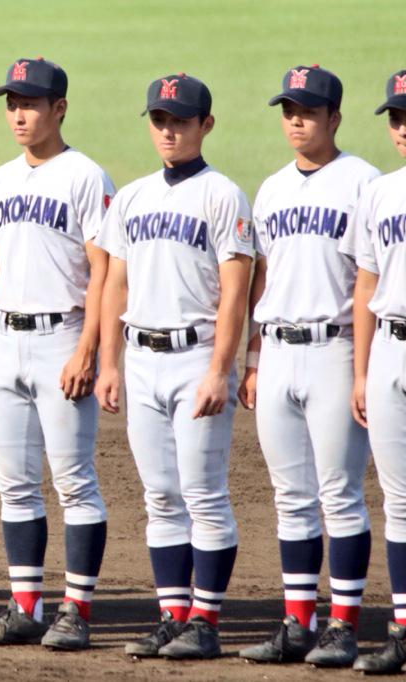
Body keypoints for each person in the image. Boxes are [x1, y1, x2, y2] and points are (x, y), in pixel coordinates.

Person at [93, 73, 254, 660]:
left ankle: (205, 622)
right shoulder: (134, 196)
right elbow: (116, 282)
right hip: (140, 359)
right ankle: (172, 615)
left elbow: (236, 292)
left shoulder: (222, 195)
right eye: (159, 119)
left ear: (205, 125)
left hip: (195, 359)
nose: (168, 130)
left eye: (180, 121)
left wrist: (220, 370)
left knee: (203, 494)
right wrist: (109, 362)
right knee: (160, 495)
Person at [0, 57, 112, 650]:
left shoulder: (85, 176)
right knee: (13, 482)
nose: (18, 113)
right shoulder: (0, 178)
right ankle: (25, 607)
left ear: (59, 109)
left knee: (74, 480)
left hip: (60, 340)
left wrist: (87, 348)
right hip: (6, 340)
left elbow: (103, 272)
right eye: (12, 102)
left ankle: (77, 610)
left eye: (30, 103)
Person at [237, 65, 378, 668]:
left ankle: (343, 625)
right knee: (290, 496)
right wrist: (252, 358)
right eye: (289, 109)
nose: (296, 120)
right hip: (278, 351)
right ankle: (298, 621)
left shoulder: (363, 183)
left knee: (340, 494)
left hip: (337, 349)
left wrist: (367, 367)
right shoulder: (270, 187)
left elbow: (376, 277)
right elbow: (261, 277)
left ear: (334, 118)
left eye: (309, 111)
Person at [343, 69, 406, 675]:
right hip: (389, 348)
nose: (404, 127)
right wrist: (361, 373)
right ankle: (404, 630)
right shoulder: (381, 193)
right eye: (396, 117)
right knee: (399, 500)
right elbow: (366, 284)